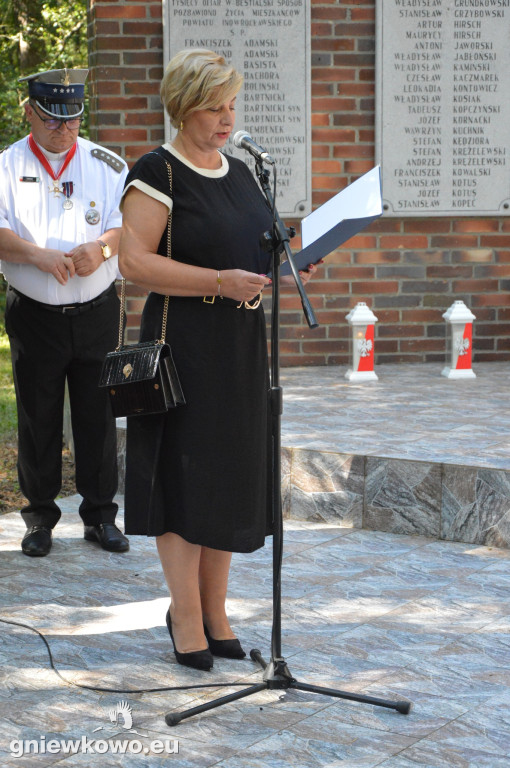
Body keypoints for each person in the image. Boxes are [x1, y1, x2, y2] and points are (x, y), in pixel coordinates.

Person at [119, 49, 316, 670]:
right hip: (183, 345)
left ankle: (216, 610)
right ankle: (184, 614)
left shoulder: (242, 171)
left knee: (227, 475)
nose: (227, 117)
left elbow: (255, 250)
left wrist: (288, 263)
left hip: (239, 348)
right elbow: (133, 263)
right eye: (214, 106)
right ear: (183, 107)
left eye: (232, 104)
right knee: (185, 477)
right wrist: (216, 282)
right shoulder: (158, 171)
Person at [0, 68, 129, 557]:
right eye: (53, 119)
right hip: (35, 313)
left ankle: (100, 516)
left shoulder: (107, 164)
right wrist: (38, 255)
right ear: (29, 111)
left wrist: (101, 247)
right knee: (39, 417)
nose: (65, 129)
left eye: (73, 118)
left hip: (96, 309)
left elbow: (127, 227)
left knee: (99, 415)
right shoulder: (6, 166)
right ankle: (39, 518)